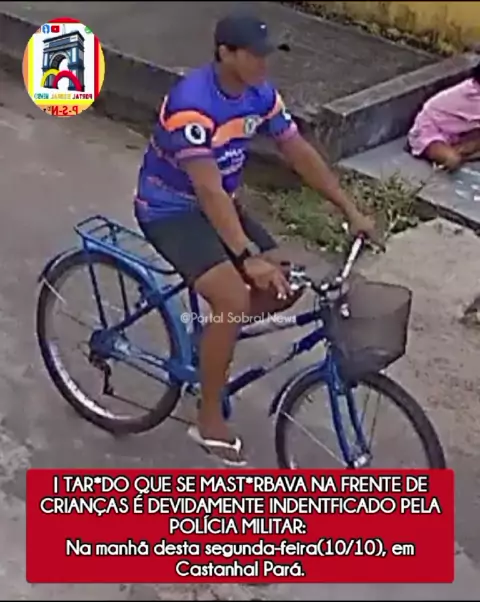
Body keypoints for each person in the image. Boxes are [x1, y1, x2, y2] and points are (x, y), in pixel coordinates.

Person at [134, 12, 378, 465]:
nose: (264, 64)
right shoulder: (193, 105)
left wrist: (350, 210)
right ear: (225, 53)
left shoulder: (259, 93)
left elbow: (297, 150)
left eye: (268, 55)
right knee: (232, 297)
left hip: (221, 205)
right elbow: (206, 189)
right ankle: (208, 419)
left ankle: (211, 341)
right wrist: (247, 256)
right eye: (255, 55)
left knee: (284, 284)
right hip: (171, 211)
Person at [407, 60, 480, 171]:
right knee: (452, 160)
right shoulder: (472, 94)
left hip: (456, 131)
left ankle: (457, 149)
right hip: (430, 130)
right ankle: (437, 153)